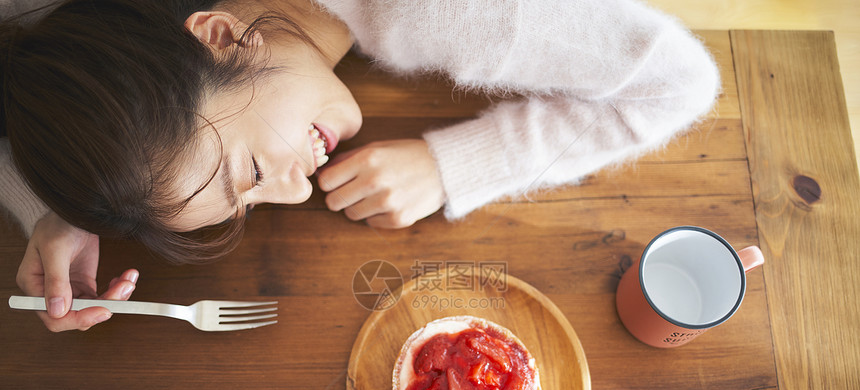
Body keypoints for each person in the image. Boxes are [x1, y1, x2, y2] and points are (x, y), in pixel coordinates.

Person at [0, 0, 720, 332]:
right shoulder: (69, 24)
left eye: (251, 170)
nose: (296, 190)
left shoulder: (445, 13)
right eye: (250, 202)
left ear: (222, 36)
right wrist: (59, 207)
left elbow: (678, 83)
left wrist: (452, 167)